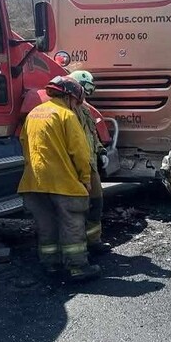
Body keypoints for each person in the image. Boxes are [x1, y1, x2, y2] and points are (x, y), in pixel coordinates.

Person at [18, 76, 100, 281]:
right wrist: (85, 177)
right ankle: (78, 267)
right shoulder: (66, 115)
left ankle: (50, 265)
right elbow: (80, 152)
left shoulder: (34, 113)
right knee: (72, 224)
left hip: (34, 182)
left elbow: (23, 143)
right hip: (63, 183)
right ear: (71, 97)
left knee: (46, 226)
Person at [68, 70, 111, 255]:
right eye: (85, 89)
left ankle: (93, 241)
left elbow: (92, 136)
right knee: (78, 209)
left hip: (90, 165)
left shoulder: (85, 110)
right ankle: (78, 247)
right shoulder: (67, 112)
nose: (86, 95)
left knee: (96, 204)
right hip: (75, 168)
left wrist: (101, 152)